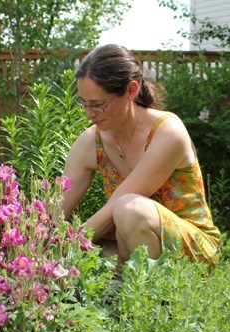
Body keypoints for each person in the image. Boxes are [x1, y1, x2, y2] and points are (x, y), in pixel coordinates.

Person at [62, 44, 221, 266]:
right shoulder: (91, 141)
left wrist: (64, 248)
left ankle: (153, 298)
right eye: (84, 103)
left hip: (192, 248)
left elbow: (115, 208)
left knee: (129, 208)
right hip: (130, 245)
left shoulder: (168, 132)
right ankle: (127, 288)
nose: (89, 114)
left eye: (97, 105)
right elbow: (55, 209)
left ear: (131, 90)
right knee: (87, 263)